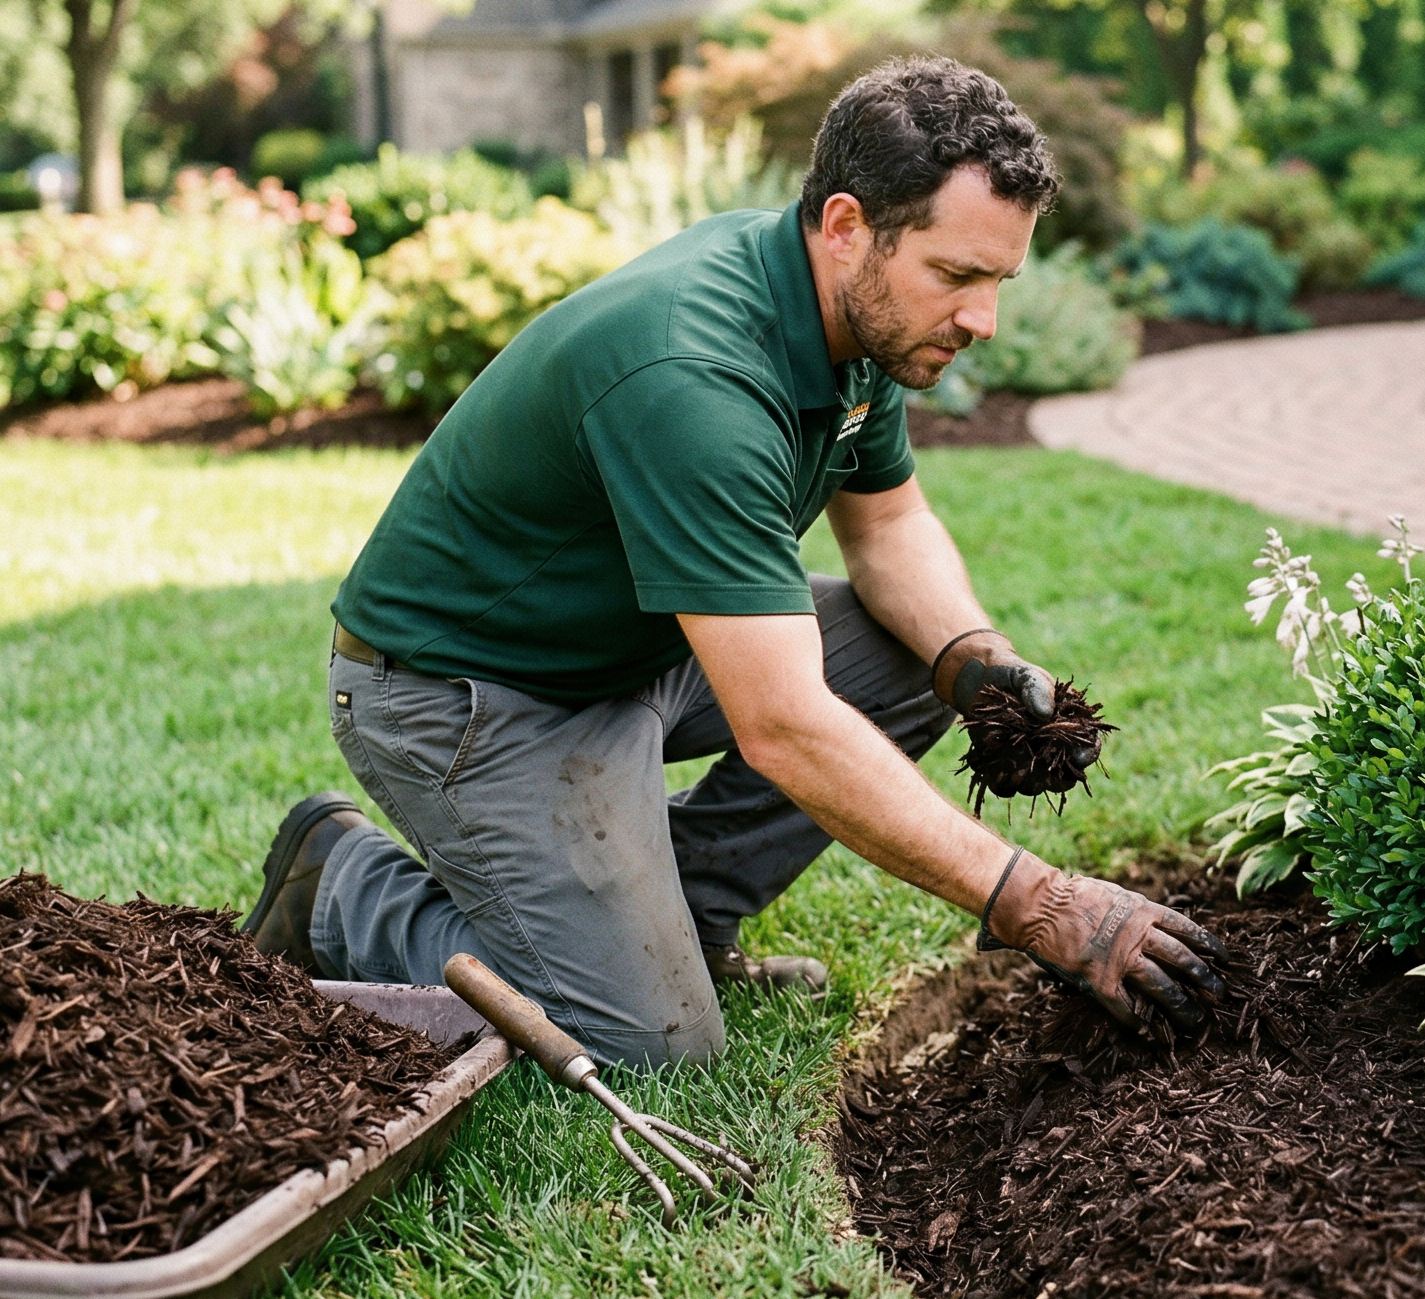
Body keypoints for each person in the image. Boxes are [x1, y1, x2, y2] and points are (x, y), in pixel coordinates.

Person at [240, 57, 1226, 1068]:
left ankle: (685, 920)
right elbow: (787, 726)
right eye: (958, 276)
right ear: (848, 226)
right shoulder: (697, 373)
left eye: (1000, 280)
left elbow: (886, 529)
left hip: (637, 637)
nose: (983, 321)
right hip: (471, 693)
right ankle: (343, 883)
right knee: (646, 1044)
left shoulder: (853, 314)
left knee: (907, 660)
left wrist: (974, 659)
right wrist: (1037, 900)